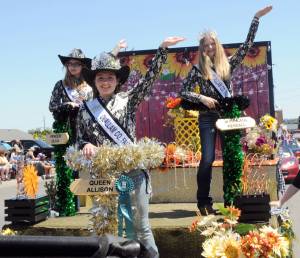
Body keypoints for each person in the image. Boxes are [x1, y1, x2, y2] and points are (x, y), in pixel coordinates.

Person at [77, 37, 184, 257]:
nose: (105, 82)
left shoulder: (128, 99)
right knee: (107, 227)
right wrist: (86, 144)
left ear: (117, 80)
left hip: (134, 173)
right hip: (104, 177)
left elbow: (149, 79)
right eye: (100, 78)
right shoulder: (85, 109)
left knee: (141, 226)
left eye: (109, 78)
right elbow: (80, 138)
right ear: (94, 82)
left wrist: (162, 49)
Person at [179, 6, 272, 215]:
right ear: (201, 48)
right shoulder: (197, 70)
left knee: (232, 156)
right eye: (206, 45)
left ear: (217, 45)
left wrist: (255, 18)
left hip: (229, 117)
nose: (210, 47)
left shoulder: (228, 64)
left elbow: (248, 44)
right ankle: (204, 202)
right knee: (208, 158)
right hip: (207, 117)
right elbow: (183, 92)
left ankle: (232, 200)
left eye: (213, 43)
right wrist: (202, 97)